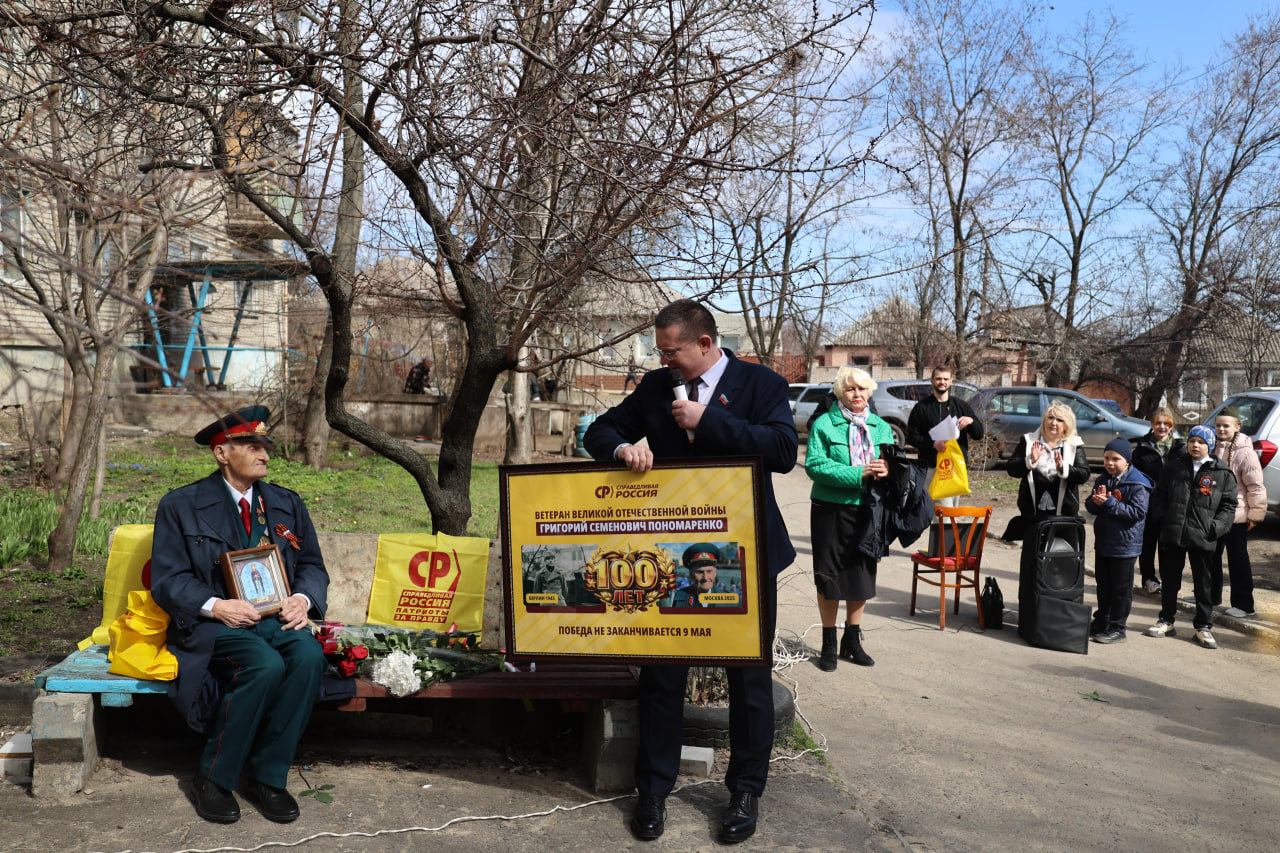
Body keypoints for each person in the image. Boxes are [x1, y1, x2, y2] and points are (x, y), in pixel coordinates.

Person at [583, 299, 796, 845]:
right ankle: (653, 790)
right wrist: (623, 449)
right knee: (662, 674)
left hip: (746, 552)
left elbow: (782, 450)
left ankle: (744, 791)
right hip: (674, 554)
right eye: (660, 352)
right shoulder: (658, 386)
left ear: (704, 344)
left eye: (671, 351)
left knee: (749, 680)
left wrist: (710, 420)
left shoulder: (761, 384)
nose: (664, 361)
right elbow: (600, 431)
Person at [151, 406, 329, 825]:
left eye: (265, 445)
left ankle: (268, 778)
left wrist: (302, 598)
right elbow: (168, 579)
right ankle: (213, 778)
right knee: (264, 665)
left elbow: (312, 565)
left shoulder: (286, 503)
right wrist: (217, 606)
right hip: (214, 626)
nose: (265, 454)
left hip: (275, 619)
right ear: (222, 453)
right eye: (252, 446)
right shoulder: (182, 505)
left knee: (308, 658)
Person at [804, 366, 892, 671]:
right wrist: (859, 473)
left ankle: (852, 639)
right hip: (830, 509)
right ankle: (828, 642)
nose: (857, 394)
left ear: (870, 392)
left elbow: (894, 463)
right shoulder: (824, 424)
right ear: (840, 393)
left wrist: (888, 470)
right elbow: (815, 465)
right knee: (829, 577)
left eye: (862, 388)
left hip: (868, 510)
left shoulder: (881, 426)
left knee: (861, 576)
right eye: (850, 389)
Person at [1145, 425, 1237, 649]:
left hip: (1203, 536)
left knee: (1203, 584)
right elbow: (1159, 495)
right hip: (1173, 534)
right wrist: (1163, 519)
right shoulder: (1174, 467)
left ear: (1210, 445)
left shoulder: (1222, 472)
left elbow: (1228, 506)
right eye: (1192, 441)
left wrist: (1215, 528)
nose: (1196, 445)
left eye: (1201, 442)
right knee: (1170, 581)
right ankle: (1166, 620)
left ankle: (1202, 626)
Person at [1085, 438, 1153, 644]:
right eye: (1107, 458)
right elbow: (1091, 506)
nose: (1110, 463)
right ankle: (1102, 621)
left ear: (1127, 461)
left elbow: (1137, 512)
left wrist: (1110, 503)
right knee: (1103, 586)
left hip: (1125, 545)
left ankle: (1118, 627)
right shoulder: (1103, 479)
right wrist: (1095, 502)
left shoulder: (1138, 483)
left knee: (1120, 590)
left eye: (1116, 459)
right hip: (1104, 542)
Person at [1003, 401, 1091, 541]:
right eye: (1050, 418)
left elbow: (1084, 474)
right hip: (1032, 511)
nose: (1053, 423)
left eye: (1059, 420)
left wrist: (1064, 468)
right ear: (1044, 420)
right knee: (1032, 552)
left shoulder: (1074, 444)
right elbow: (1012, 469)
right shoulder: (1029, 441)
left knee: (1058, 552)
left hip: (1063, 512)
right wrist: (1030, 460)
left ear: (1066, 425)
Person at [1212, 407, 1265, 618]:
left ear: (1237, 427)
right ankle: (1210, 596)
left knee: (1237, 559)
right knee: (1210, 557)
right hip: (1214, 515)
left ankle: (1244, 604)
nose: (1221, 429)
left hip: (1237, 515)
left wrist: (1255, 514)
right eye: (1218, 425)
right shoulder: (1212, 447)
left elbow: (1255, 486)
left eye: (1226, 426)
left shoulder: (1246, 452)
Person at [906, 366, 985, 508]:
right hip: (933, 468)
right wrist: (932, 444)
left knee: (952, 511)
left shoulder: (961, 406)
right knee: (942, 512)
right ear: (932, 381)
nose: (942, 382)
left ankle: (944, 524)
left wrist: (971, 421)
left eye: (945, 379)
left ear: (951, 381)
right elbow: (912, 437)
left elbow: (979, 435)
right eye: (938, 379)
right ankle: (942, 524)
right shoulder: (921, 407)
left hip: (956, 468)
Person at [1130, 409, 1184, 595]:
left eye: (1166, 423)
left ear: (1171, 426)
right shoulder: (1142, 448)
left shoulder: (1179, 448)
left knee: (1167, 544)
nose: (1162, 427)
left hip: (1171, 503)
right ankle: (1149, 578)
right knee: (1148, 542)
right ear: (1152, 425)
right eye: (1158, 423)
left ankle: (1168, 581)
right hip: (1148, 502)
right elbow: (1135, 475)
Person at [670, 543, 734, 607]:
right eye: (700, 572)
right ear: (691, 574)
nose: (705, 578)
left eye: (709, 571)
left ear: (715, 572)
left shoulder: (730, 602)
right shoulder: (678, 598)